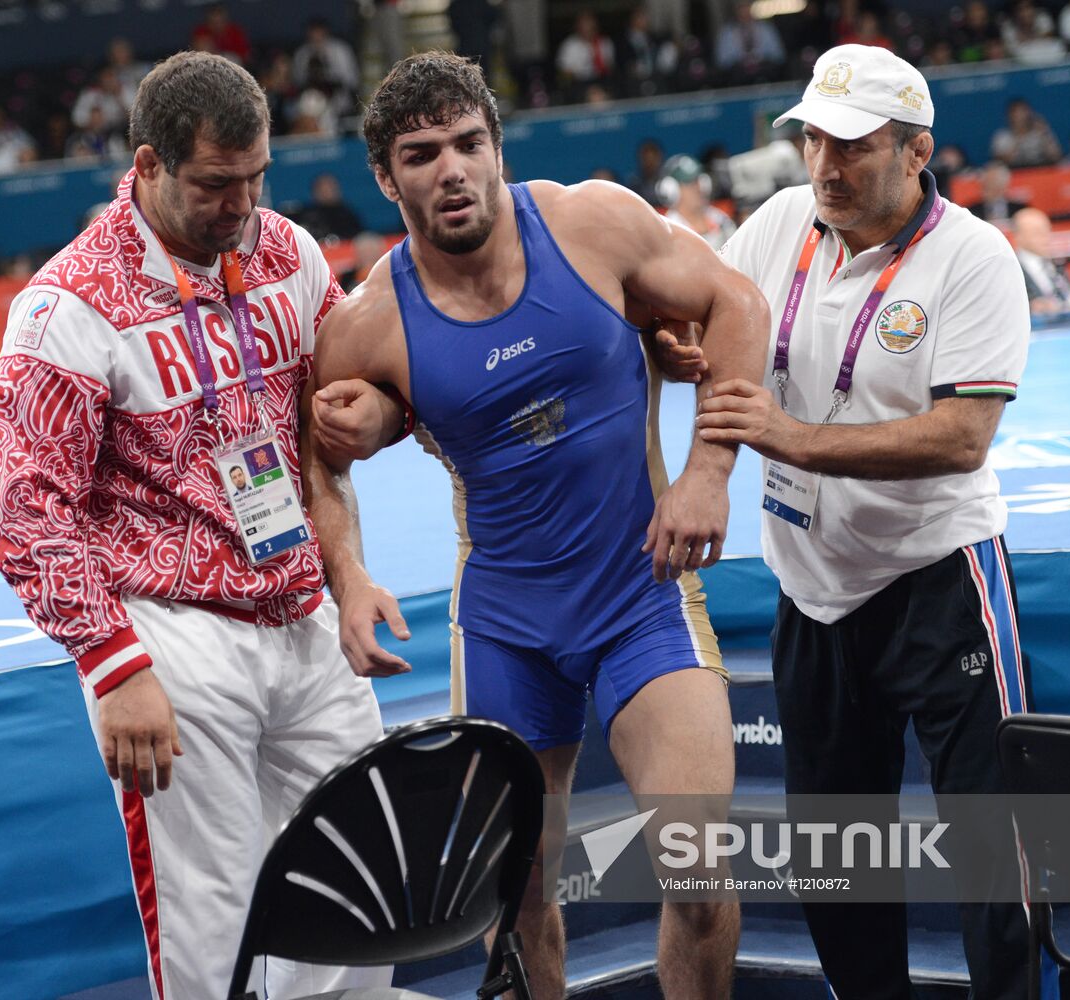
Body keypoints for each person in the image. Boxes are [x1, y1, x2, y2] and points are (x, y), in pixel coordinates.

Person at [300, 51, 770, 1000]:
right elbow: (320, 461)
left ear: (497, 148)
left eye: (468, 143)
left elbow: (737, 302)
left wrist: (706, 473)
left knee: (697, 869)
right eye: (421, 155)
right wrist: (348, 577)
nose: (452, 170)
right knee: (513, 897)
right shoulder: (367, 321)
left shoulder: (590, 222)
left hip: (641, 593)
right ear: (386, 179)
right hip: (506, 622)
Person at [0, 51, 393, 1000]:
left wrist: (376, 424)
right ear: (149, 164)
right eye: (215, 183)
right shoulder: (70, 306)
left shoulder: (288, 254)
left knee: (362, 882)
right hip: (173, 635)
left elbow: (341, 411)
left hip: (303, 610)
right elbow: (27, 511)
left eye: (256, 177)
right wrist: (112, 664)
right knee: (210, 917)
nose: (240, 205)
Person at [700, 44, 1050, 1000]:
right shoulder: (780, 223)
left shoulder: (972, 257)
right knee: (834, 856)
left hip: (937, 577)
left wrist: (792, 439)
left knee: (993, 850)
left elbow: (962, 436)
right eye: (813, 139)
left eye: (852, 145)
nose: (826, 165)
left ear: (915, 150)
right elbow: (691, 321)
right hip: (811, 588)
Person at [1012, 207, 1070, 315]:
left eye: (1048, 230)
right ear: (1018, 236)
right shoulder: (1012, 269)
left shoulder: (1056, 263)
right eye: (1037, 232)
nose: (1046, 237)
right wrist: (1032, 307)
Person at [661, 154, 736, 247]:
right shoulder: (669, 229)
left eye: (699, 181)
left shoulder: (719, 218)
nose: (698, 188)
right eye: (690, 183)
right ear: (672, 191)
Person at [989, 98, 1061, 169]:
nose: (1021, 117)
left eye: (1023, 112)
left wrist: (1044, 134)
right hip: (1015, 172)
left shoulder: (1040, 131)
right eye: (1016, 114)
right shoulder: (1002, 136)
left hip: (1041, 170)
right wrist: (1018, 136)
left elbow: (1056, 156)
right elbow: (1002, 162)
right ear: (1009, 116)